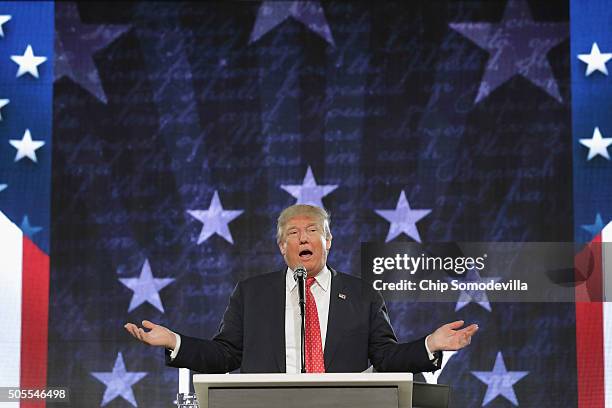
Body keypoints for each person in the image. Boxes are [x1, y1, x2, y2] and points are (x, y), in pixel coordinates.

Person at [125, 204, 478, 373]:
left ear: (328, 241)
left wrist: (431, 344)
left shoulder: (361, 295)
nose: (302, 237)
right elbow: (226, 355)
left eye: (312, 230)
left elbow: (385, 357)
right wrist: (175, 342)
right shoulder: (251, 293)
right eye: (292, 233)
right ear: (282, 247)